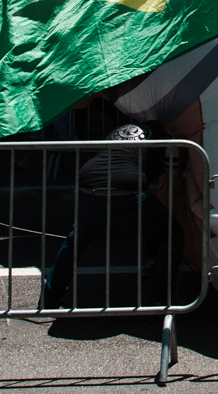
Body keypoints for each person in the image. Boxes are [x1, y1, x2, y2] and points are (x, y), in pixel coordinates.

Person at [42, 110, 185, 311]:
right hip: (124, 188)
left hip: (88, 181)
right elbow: (160, 174)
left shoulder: (119, 130)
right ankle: (160, 298)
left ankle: (49, 297)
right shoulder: (164, 137)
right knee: (170, 234)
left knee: (76, 240)